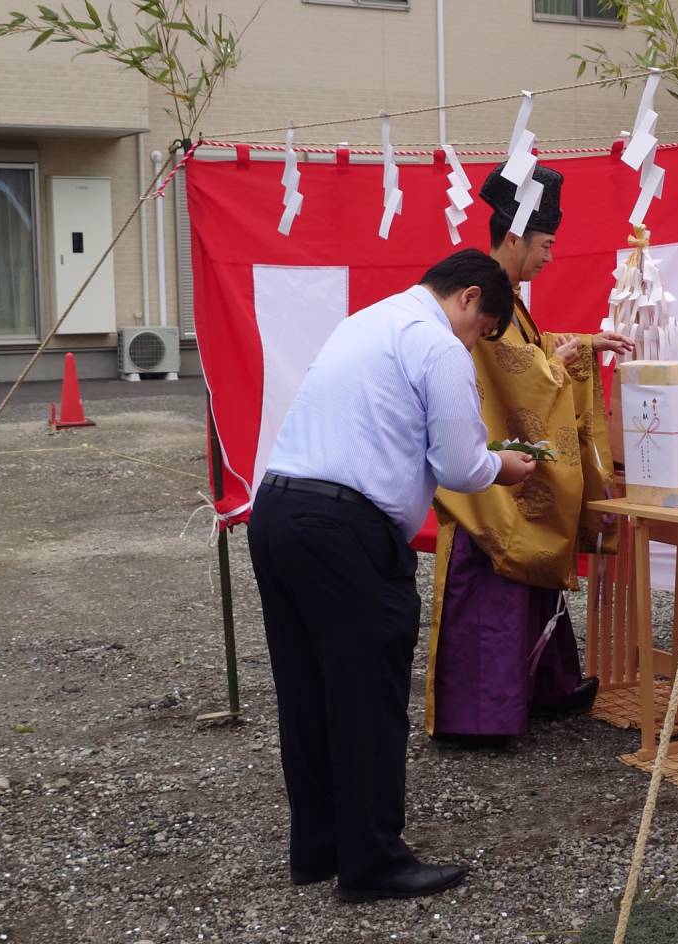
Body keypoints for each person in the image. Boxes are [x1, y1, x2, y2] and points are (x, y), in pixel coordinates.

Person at [248, 249, 536, 903]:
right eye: (483, 329)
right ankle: (373, 861)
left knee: (306, 691)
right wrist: (504, 466)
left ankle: (319, 847)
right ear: (468, 298)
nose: (477, 342)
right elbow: (460, 465)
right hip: (344, 530)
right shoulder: (437, 344)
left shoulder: (368, 321)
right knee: (366, 697)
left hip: (279, 510)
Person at [426, 163, 635, 747]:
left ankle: (543, 689)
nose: (550, 256)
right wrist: (557, 366)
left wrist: (583, 344)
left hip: (510, 469)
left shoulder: (508, 301)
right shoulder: (485, 298)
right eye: (545, 245)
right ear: (515, 238)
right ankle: (477, 717)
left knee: (527, 581)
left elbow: (530, 352)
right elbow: (516, 372)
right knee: (489, 584)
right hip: (485, 483)